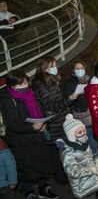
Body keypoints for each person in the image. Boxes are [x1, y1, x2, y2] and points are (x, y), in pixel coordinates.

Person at [1, 69, 56, 199]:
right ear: (12, 86)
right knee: (25, 169)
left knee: (41, 163)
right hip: (21, 142)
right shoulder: (8, 100)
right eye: (20, 84)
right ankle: (28, 193)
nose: (25, 85)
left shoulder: (32, 94)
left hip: (37, 137)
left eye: (26, 82)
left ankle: (44, 187)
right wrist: (32, 127)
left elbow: (40, 110)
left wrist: (43, 124)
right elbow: (12, 124)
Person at [33, 56, 77, 184]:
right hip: (53, 122)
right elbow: (51, 105)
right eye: (52, 66)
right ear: (44, 68)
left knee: (65, 149)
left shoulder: (52, 80)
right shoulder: (41, 85)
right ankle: (61, 177)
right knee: (56, 151)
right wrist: (69, 99)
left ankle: (65, 174)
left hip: (61, 120)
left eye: (55, 65)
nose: (55, 68)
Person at [61, 60, 97, 154]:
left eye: (82, 68)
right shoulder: (69, 83)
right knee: (89, 143)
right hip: (80, 116)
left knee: (95, 141)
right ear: (73, 71)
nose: (80, 70)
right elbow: (66, 101)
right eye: (77, 69)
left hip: (92, 115)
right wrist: (72, 97)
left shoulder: (90, 80)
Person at [0, 111, 17, 199]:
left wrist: (12, 181)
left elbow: (10, 166)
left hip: (4, 182)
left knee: (9, 196)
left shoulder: (2, 149)